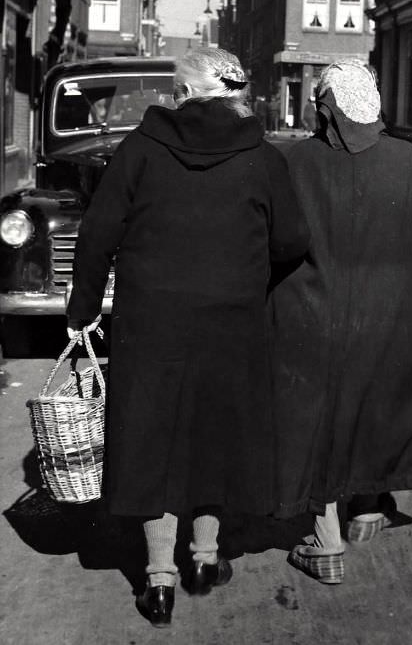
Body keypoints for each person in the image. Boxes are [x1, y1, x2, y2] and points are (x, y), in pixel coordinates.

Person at [66, 47, 309, 627]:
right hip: (231, 321)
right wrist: (251, 279)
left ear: (184, 92)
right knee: (213, 434)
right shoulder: (263, 158)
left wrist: (81, 309)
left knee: (154, 439)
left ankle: (158, 581)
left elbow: (98, 232)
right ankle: (204, 558)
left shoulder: (141, 149)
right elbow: (294, 240)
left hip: (151, 321)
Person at [269, 60, 412, 585]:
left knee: (320, 417)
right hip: (393, 322)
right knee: (377, 401)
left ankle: (325, 535)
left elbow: (272, 245)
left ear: (327, 107)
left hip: (311, 318)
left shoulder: (294, 163)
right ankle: (370, 507)